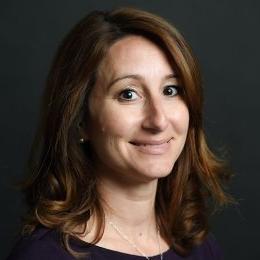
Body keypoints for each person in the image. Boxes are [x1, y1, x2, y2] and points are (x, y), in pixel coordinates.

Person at [7, 7, 232, 260]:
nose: (158, 120)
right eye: (128, 94)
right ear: (80, 120)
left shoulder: (199, 246)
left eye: (170, 90)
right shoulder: (43, 255)